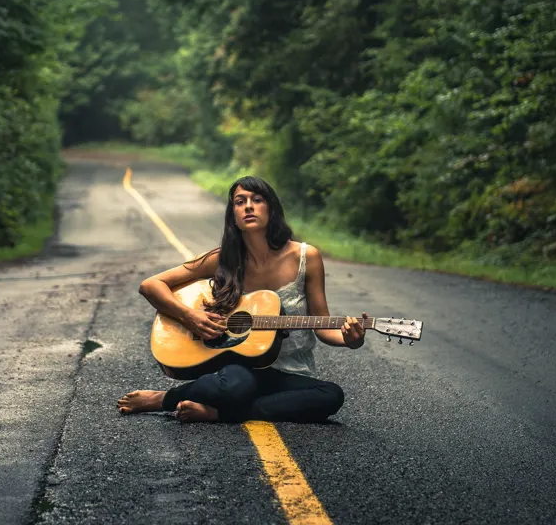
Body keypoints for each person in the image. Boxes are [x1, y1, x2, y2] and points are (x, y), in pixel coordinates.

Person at [117, 175, 368, 423]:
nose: (248, 206)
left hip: (290, 372)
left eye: (257, 199)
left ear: (271, 209)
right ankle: (164, 399)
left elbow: (321, 325)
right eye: (240, 201)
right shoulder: (222, 259)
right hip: (240, 370)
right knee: (235, 385)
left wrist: (350, 340)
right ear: (233, 217)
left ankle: (222, 413)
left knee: (330, 395)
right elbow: (150, 285)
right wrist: (190, 316)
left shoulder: (306, 257)